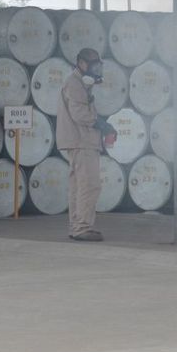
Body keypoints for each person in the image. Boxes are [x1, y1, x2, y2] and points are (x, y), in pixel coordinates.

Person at [56, 48, 116, 242]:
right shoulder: (74, 84)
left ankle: (76, 226)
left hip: (80, 141)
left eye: (98, 65)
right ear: (81, 63)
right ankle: (82, 227)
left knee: (78, 186)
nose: (96, 69)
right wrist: (102, 125)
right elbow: (79, 114)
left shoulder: (80, 83)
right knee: (90, 185)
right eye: (93, 65)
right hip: (82, 141)